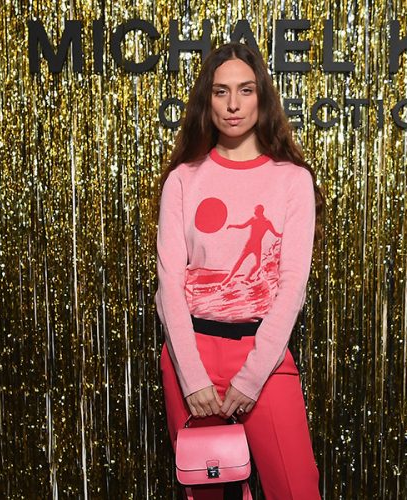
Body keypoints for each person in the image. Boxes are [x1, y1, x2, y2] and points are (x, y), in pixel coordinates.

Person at [155, 42, 323, 500]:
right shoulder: (184, 178)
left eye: (245, 90)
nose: (233, 104)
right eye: (220, 91)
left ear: (261, 97)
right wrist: (192, 377)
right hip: (192, 353)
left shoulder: (292, 179)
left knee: (297, 489)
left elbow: (292, 285)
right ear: (206, 101)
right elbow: (169, 283)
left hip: (262, 354)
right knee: (207, 491)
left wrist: (252, 376)